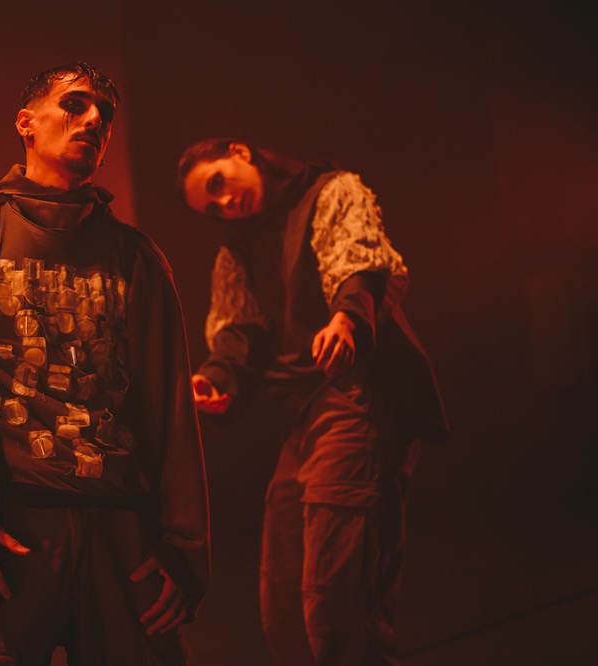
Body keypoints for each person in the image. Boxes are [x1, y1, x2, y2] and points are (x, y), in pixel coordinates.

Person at [0, 62, 210, 666]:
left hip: (122, 534)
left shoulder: (136, 258)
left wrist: (183, 547)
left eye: (105, 114)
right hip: (9, 537)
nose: (94, 120)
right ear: (26, 123)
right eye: (75, 104)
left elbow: (169, 408)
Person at [177, 139, 448, 665]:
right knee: (283, 603)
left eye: (218, 183)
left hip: (356, 397)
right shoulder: (239, 250)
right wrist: (216, 377)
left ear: (240, 153)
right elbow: (240, 332)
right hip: (303, 420)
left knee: (336, 599)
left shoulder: (329, 193)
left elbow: (361, 266)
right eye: (211, 207)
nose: (224, 203)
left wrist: (347, 318)